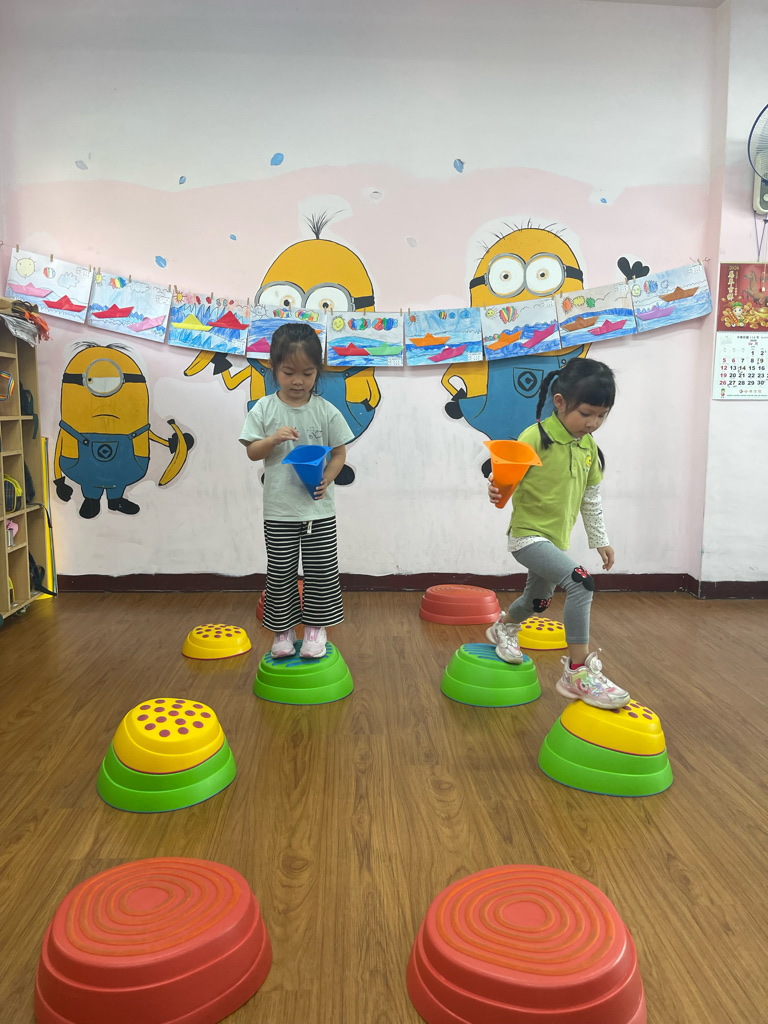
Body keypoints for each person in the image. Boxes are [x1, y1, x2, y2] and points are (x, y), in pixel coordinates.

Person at [486, 358, 630, 709]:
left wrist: (600, 539)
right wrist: (495, 485)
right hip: (527, 536)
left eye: (602, 415)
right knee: (581, 582)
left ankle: (503, 626)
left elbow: (590, 497)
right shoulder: (535, 437)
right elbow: (506, 475)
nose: (593, 423)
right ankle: (577, 672)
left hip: (554, 540)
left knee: (538, 602)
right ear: (560, 402)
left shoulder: (588, 446)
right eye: (586, 413)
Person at [239, 323, 353, 658]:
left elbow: (340, 453)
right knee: (280, 574)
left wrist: (327, 478)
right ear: (273, 368)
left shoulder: (325, 410)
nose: (298, 381)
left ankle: (316, 629)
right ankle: (283, 632)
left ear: (318, 371)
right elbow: (252, 452)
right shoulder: (264, 408)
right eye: (289, 372)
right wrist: (273, 439)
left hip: (319, 511)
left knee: (321, 573)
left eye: (308, 373)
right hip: (279, 510)